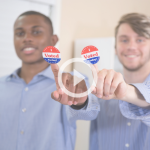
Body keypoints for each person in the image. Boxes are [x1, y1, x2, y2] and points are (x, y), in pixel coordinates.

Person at [52, 13, 150, 150]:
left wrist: (126, 92)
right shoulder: (102, 83)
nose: (131, 46)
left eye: (140, 40)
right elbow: (88, 110)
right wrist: (80, 101)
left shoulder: (114, 83)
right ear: (115, 47)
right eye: (124, 40)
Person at [0, 11, 94, 150]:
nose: (27, 38)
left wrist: (80, 101)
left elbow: (91, 112)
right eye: (20, 33)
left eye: (36, 32)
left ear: (53, 40)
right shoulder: (2, 85)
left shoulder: (71, 83)